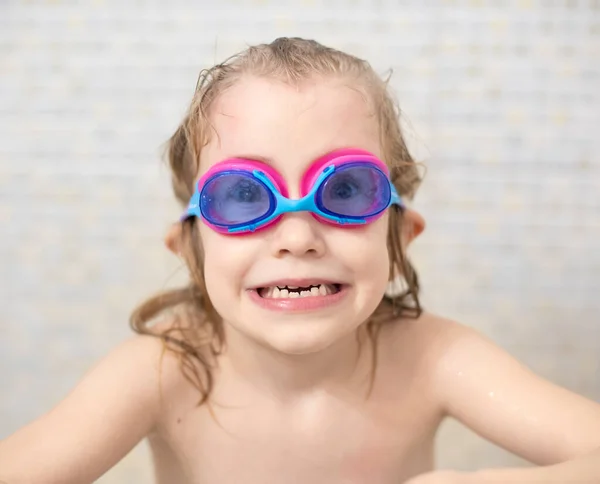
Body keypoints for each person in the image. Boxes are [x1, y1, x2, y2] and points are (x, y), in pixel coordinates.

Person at [1, 37, 599, 484]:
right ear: (190, 249)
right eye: (243, 197)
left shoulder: (431, 358)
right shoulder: (164, 373)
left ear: (400, 239)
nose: (297, 236)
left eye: (343, 190)